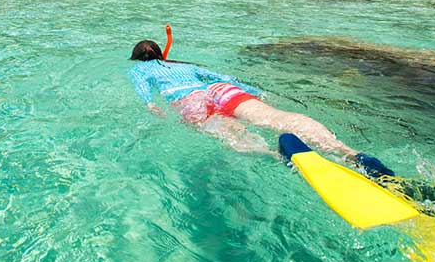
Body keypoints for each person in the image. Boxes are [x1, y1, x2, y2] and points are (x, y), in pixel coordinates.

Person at [128, 39, 393, 177]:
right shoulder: (184, 65)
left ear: (137, 58)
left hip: (188, 100)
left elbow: (143, 90)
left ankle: (277, 155)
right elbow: (224, 78)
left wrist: (151, 105)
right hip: (222, 91)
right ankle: (349, 153)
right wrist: (256, 93)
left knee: (234, 136)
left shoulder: (140, 69)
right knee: (276, 118)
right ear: (161, 53)